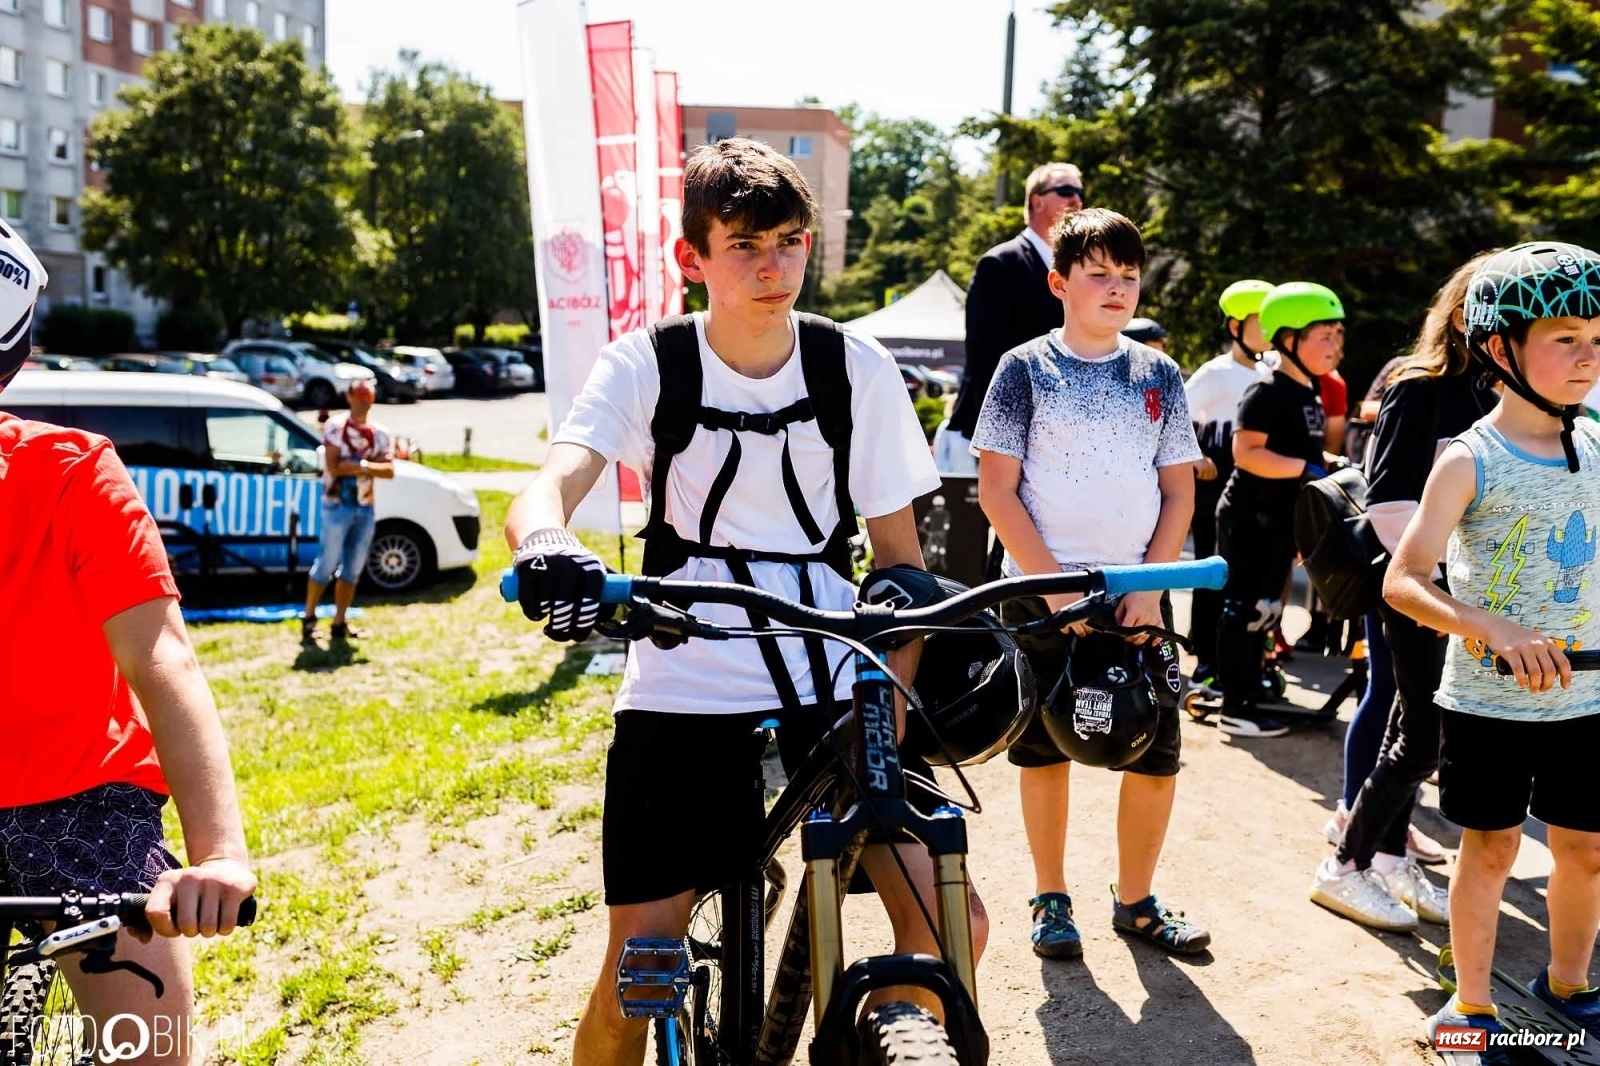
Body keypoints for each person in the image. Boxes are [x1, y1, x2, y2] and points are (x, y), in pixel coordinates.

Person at [503, 138, 989, 1066]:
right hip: (685, 668)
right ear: (693, 259)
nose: (774, 268)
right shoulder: (647, 363)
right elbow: (547, 487)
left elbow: (898, 564)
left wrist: (881, 719)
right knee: (636, 971)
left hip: (831, 666)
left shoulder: (859, 368)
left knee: (955, 923)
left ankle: (874, 1034)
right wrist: (550, 544)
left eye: (791, 241)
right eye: (745, 247)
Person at [0, 223, 257, 1063]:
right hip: (75, 803)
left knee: (147, 1051)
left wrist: (218, 854)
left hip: (84, 805)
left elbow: (161, 657)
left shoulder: (72, 473)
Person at [973, 208, 1209, 959]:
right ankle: (1051, 898)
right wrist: (1052, 591)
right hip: (1039, 590)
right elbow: (997, 492)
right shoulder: (1023, 368)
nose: (1116, 289)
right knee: (1043, 750)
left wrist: (1146, 586)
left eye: (1128, 276)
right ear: (1058, 282)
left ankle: (1135, 902)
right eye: (1097, 274)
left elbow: (1179, 492)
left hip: (1140, 591)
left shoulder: (1159, 372)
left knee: (1155, 750)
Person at [1383, 242, 1600, 1057]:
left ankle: (1570, 983)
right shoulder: (1470, 458)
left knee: (1584, 849)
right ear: (1500, 349)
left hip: (1587, 699)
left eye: (1598, 339)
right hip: (1486, 701)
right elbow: (1403, 583)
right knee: (1492, 849)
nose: (1588, 357)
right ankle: (1470, 1009)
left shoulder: (1598, 445)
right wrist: (1493, 629)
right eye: (1565, 338)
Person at [1311, 255, 1501, 931]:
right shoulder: (1417, 388)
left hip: (1474, 604)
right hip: (1423, 593)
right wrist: (1446, 591)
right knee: (1418, 739)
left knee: (1416, 733)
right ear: (1459, 315)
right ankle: (1346, 866)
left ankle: (1386, 855)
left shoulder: (1503, 393)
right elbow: (1390, 505)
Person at [1214, 282, 1346, 738]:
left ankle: (1255, 689)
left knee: (1269, 611)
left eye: (1338, 336)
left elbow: (1299, 453)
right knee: (1245, 610)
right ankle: (1234, 704)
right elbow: (1247, 453)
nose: (1335, 346)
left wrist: (1327, 465)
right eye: (1324, 336)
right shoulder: (1267, 390)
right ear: (1288, 338)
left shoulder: (1309, 392)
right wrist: (1306, 467)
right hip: (1249, 520)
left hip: (1280, 524)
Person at [936, 162, 1082, 474]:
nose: (1076, 200)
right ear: (1036, 201)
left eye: (1080, 192)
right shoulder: (1000, 263)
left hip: (1061, 439)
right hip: (1004, 438)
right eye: (1066, 190)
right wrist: (1004, 438)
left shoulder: (1079, 271)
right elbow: (984, 359)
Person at [1182, 280, 1274, 690]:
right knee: (1213, 570)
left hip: (1261, 486)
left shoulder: (1273, 371)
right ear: (1236, 325)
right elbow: (1173, 413)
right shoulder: (1216, 372)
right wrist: (1196, 456)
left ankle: (1250, 660)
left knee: (1252, 575)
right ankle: (1205, 657)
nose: (1270, 329)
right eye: (1261, 320)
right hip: (1216, 484)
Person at [302, 377, 393, 646]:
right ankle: (309, 619)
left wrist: (358, 464)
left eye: (369, 396)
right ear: (350, 397)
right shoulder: (336, 427)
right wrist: (369, 464)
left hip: (365, 507)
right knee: (326, 564)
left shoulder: (380, 433)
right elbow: (334, 466)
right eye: (360, 395)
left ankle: (339, 621)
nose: (365, 401)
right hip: (336, 506)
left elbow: (389, 470)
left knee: (352, 569)